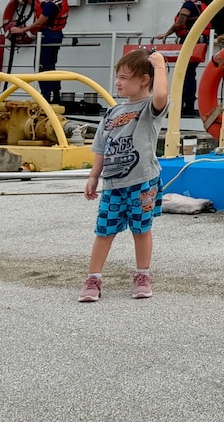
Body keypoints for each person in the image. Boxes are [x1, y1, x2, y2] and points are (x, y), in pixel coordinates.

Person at [79, 48, 170, 302]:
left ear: (144, 80)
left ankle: (142, 274)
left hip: (143, 181)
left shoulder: (149, 109)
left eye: (125, 77)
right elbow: (100, 148)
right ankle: (93, 278)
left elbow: (161, 94)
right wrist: (93, 177)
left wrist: (160, 65)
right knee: (104, 230)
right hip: (113, 183)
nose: (118, 82)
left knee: (141, 229)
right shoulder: (111, 113)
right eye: (117, 76)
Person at [11, 0, 69, 103]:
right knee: (51, 67)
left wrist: (20, 30)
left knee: (42, 67)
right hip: (57, 35)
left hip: (47, 36)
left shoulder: (51, 5)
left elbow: (39, 23)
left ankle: (45, 97)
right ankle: (56, 95)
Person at [159, 0, 205, 116]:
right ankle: (188, 105)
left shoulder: (188, 5)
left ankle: (184, 106)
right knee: (190, 73)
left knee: (185, 73)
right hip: (199, 41)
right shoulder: (201, 6)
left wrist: (166, 34)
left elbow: (180, 22)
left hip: (190, 41)